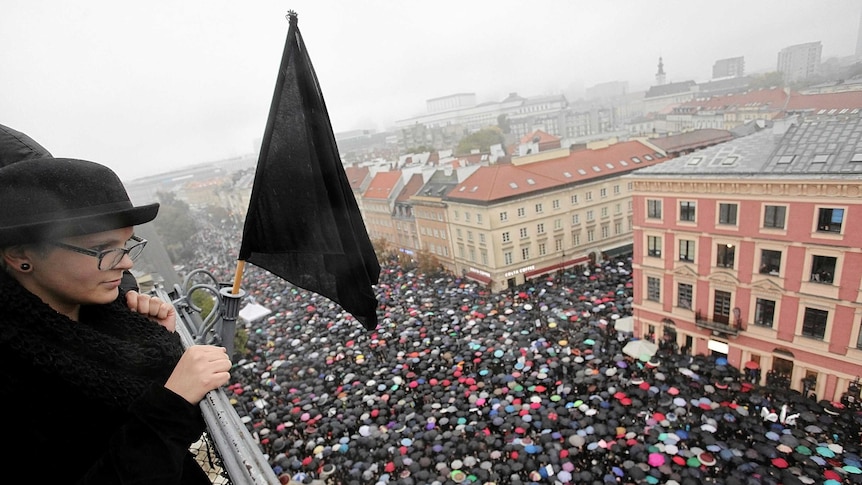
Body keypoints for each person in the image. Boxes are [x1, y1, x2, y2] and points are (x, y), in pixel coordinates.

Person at [0, 156, 232, 483]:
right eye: (103, 249)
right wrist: (172, 404)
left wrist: (153, 337)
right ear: (21, 255)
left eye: (127, 245)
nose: (125, 263)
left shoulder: (114, 315)